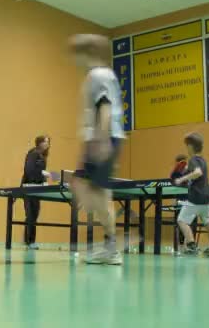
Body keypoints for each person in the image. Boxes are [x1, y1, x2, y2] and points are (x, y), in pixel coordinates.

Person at [69, 34, 125, 265]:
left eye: (75, 54)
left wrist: (101, 141)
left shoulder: (97, 75)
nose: (73, 60)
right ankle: (111, 244)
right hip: (103, 138)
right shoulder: (102, 75)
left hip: (103, 138)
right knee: (98, 193)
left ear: (86, 53)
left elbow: (105, 107)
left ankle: (112, 246)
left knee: (91, 191)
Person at [173, 133, 209, 256]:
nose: (186, 148)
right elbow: (198, 171)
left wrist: (182, 179)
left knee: (181, 220)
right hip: (206, 197)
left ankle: (192, 246)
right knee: (207, 221)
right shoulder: (203, 160)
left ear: (191, 146)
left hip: (195, 197)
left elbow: (197, 172)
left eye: (187, 145)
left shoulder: (193, 159)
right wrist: (187, 169)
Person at [21, 135, 51, 250]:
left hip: (37, 189)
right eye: (45, 142)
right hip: (29, 188)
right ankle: (30, 242)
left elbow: (40, 172)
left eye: (48, 142)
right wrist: (42, 174)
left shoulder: (43, 156)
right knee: (30, 215)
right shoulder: (33, 153)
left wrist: (44, 180)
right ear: (39, 143)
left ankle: (28, 240)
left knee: (34, 214)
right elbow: (29, 171)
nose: (47, 144)